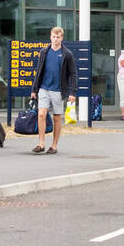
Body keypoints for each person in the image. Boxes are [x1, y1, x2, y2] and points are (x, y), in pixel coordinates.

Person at [31, 26, 78, 155]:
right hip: (44, 88)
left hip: (58, 90)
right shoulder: (44, 51)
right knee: (41, 114)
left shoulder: (67, 54)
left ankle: (54, 145)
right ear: (50, 37)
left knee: (57, 117)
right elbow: (38, 71)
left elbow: (73, 74)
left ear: (62, 38)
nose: (55, 39)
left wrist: (72, 92)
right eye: (53, 36)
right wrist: (34, 89)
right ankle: (41, 143)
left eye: (58, 37)